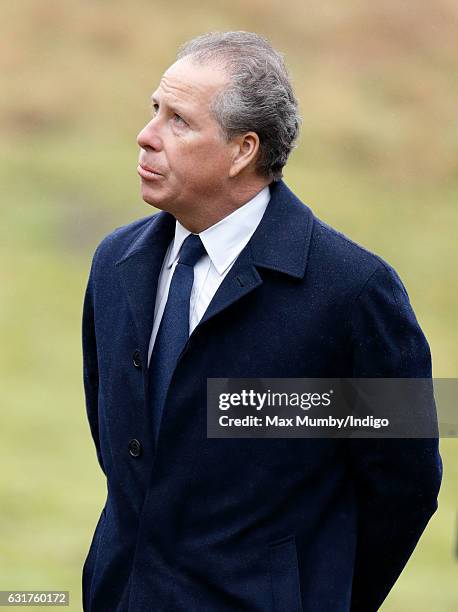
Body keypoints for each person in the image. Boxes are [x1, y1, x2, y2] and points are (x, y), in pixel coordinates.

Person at [81, 31, 442, 612]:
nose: (146, 137)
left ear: (243, 150)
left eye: (179, 121)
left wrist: (314, 597)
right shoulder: (114, 264)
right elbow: (124, 454)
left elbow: (404, 488)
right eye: (155, 110)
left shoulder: (354, 292)